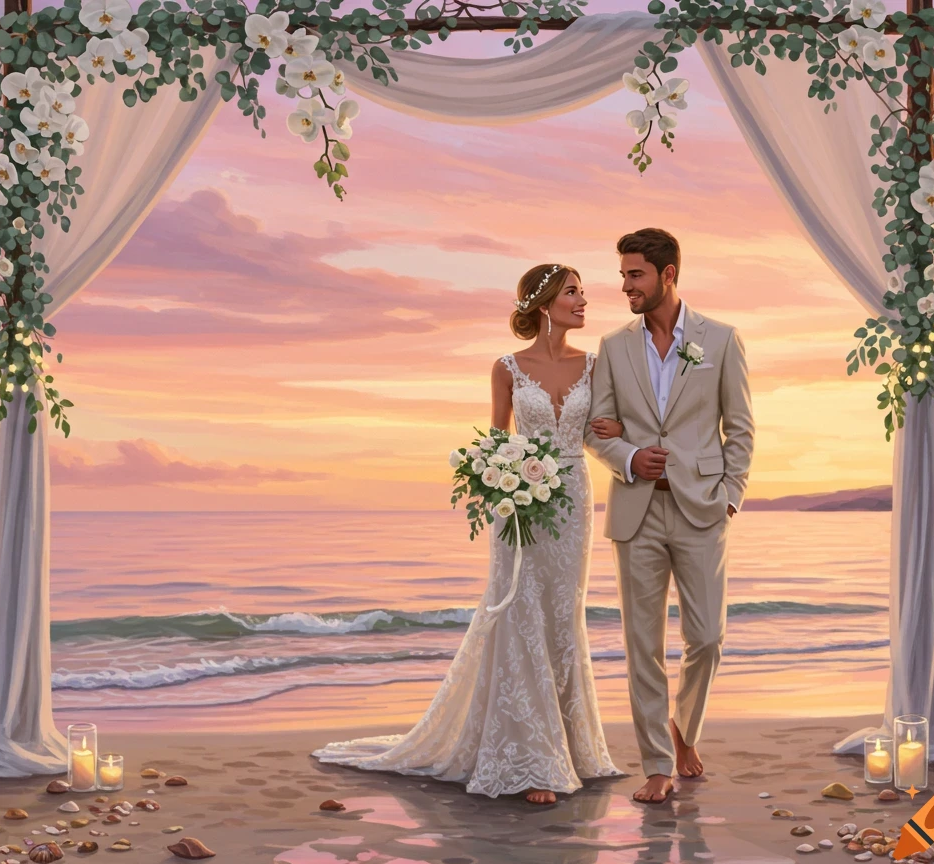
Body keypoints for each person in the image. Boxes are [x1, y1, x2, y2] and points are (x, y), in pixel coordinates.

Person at [313, 264, 626, 804]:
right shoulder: (506, 367)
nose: (583, 302)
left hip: (573, 496)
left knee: (560, 612)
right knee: (517, 608)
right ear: (545, 301)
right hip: (518, 503)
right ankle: (529, 760)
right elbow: (496, 438)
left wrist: (618, 430)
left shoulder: (597, 366)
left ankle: (570, 748)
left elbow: (607, 428)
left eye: (583, 293)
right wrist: (499, 486)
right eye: (573, 292)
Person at [584, 228, 755, 804]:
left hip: (703, 507)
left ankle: (685, 728)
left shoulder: (721, 340)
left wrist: (731, 492)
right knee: (643, 645)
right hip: (635, 510)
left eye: (635, 274)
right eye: (624, 274)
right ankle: (658, 761)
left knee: (707, 637)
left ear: (668, 274)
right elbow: (595, 427)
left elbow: (741, 427)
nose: (625, 285)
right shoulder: (612, 347)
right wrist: (631, 455)